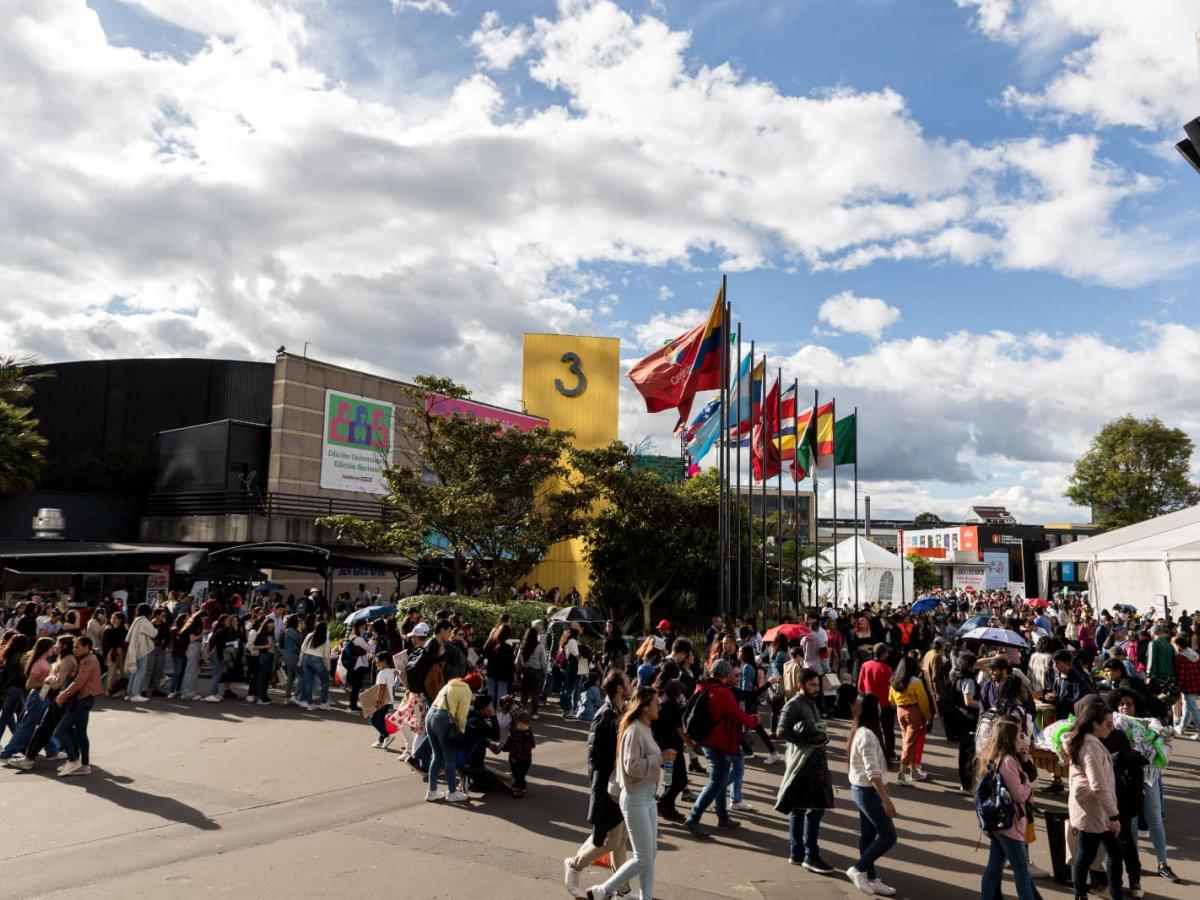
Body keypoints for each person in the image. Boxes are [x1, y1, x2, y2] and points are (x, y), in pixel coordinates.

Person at [584, 686, 674, 900]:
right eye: (655, 702)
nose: (659, 705)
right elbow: (631, 766)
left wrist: (661, 760)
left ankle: (646, 897)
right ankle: (603, 890)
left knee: (649, 855)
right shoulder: (634, 730)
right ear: (643, 707)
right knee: (643, 858)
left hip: (648, 797)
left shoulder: (645, 728)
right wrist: (660, 758)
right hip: (635, 798)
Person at [565, 669, 630, 898]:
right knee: (610, 841)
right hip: (607, 786)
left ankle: (622, 889)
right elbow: (596, 758)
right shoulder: (606, 716)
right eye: (627, 681)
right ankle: (574, 866)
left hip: (616, 785)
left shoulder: (618, 711)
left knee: (620, 840)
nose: (630, 684)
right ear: (620, 688)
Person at [684, 659, 759, 839]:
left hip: (708, 741)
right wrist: (754, 720)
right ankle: (693, 818)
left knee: (718, 780)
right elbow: (739, 716)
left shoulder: (702, 687)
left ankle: (723, 818)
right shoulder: (723, 693)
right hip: (721, 743)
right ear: (725, 675)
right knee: (717, 783)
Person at [775, 667, 836, 875]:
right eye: (812, 685)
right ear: (801, 685)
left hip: (811, 763)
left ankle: (797, 853)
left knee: (800, 808)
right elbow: (781, 730)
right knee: (813, 808)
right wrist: (805, 742)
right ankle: (810, 856)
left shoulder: (810, 702)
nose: (816, 688)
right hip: (804, 765)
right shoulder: (794, 705)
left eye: (817, 684)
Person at [1066, 698, 1124, 900]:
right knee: (1089, 855)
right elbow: (1097, 784)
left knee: (1095, 854)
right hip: (1094, 810)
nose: (1112, 728)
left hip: (1092, 809)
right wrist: (1113, 815)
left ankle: (1086, 893)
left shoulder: (1086, 742)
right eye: (1108, 724)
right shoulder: (1090, 747)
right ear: (1095, 724)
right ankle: (1084, 894)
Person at [977, 717, 1038, 900]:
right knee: (1022, 871)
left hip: (999, 822)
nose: (1022, 739)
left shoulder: (996, 756)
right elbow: (1019, 794)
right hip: (1009, 824)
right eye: (1019, 735)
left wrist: (1025, 760)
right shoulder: (1008, 761)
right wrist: (1027, 782)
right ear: (1010, 739)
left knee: (995, 866)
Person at [846, 692, 898, 896]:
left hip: (862, 790)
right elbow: (872, 772)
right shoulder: (866, 735)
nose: (880, 708)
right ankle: (858, 869)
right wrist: (886, 800)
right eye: (877, 705)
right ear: (871, 710)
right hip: (867, 792)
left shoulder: (861, 731)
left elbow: (874, 771)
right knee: (888, 836)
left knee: (868, 835)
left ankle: (871, 877)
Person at [50, 635, 102, 776]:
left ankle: (73, 760)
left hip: (83, 700)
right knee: (80, 734)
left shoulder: (89, 661)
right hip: (85, 699)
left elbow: (79, 682)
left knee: (59, 731)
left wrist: (62, 695)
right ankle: (84, 766)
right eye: (74, 646)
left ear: (87, 647)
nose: (75, 649)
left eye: (77, 646)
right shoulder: (86, 659)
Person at [0, 636, 55, 760]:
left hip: (36, 695)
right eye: (52, 646)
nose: (54, 648)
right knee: (25, 724)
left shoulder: (39, 660)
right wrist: (47, 682)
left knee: (39, 724)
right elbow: (29, 684)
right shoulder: (35, 662)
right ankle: (9, 750)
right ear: (46, 648)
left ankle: (52, 749)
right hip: (32, 695)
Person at [424, 675, 473, 803]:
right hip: (443, 720)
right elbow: (462, 716)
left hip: (430, 716)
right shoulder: (466, 690)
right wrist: (460, 733)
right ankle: (452, 792)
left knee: (436, 756)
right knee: (449, 758)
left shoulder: (449, 685)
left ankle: (432, 791)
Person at [889, 650, 933, 784]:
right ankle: (902, 774)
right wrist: (927, 716)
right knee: (909, 743)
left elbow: (891, 699)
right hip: (913, 712)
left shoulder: (894, 681)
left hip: (900, 711)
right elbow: (923, 702)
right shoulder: (916, 682)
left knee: (908, 742)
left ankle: (913, 771)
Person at [857, 643, 896, 763]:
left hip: (869, 704)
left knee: (871, 730)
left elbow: (860, 687)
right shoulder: (887, 669)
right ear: (883, 654)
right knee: (888, 730)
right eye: (886, 653)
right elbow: (892, 688)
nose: (888, 655)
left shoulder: (865, 665)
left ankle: (871, 753)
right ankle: (890, 753)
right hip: (885, 704)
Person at [0, 633, 31, 744]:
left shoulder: (8, 655)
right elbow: (25, 675)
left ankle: (20, 741)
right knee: (9, 718)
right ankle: (21, 742)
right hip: (16, 691)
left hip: (5, 689)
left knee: (11, 718)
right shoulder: (22, 657)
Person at [124, 604, 158, 703]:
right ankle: (136, 693)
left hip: (134, 648)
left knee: (134, 672)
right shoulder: (144, 621)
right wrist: (156, 629)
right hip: (142, 649)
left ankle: (130, 693)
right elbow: (153, 633)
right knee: (141, 672)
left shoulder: (136, 620)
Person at [298, 620, 332, 710]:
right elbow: (326, 656)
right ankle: (324, 703)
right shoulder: (326, 640)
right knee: (325, 681)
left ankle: (310, 704)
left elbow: (302, 648)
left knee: (308, 681)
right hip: (317, 659)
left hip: (306, 658)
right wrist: (328, 667)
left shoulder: (310, 635)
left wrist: (300, 661)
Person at [517, 623, 548, 719]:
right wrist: (545, 673)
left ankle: (521, 711)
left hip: (525, 671)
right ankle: (534, 713)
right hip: (537, 672)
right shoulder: (540, 646)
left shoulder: (523, 645)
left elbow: (518, 659)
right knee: (535, 694)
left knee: (525, 693)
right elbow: (543, 662)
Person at [503, 709, 535, 797]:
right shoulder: (514, 730)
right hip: (514, 756)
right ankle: (516, 785)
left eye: (525, 725)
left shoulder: (528, 733)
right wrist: (506, 746)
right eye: (520, 725)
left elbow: (533, 744)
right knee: (515, 771)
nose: (523, 727)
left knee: (521, 774)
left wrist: (521, 745)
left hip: (525, 758)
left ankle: (522, 788)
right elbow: (510, 740)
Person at [369, 653, 397, 749]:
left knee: (373, 719)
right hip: (389, 700)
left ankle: (386, 736)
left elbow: (381, 688)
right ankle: (381, 740)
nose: (376, 664)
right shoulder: (390, 671)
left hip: (383, 700)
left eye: (377, 662)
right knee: (380, 719)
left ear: (384, 662)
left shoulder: (382, 673)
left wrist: (378, 701)